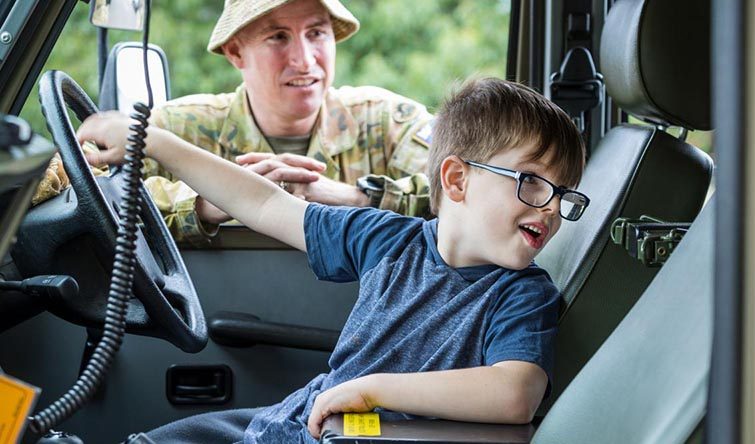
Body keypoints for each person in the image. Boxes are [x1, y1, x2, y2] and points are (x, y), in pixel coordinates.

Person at [76, 77, 589, 443]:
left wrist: (369, 390)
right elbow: (266, 204)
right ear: (456, 179)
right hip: (298, 419)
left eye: (564, 194)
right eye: (532, 182)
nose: (551, 208)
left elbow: (514, 392)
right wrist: (158, 144)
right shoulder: (388, 240)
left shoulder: (521, 293)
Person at [34, 0, 435, 247]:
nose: (305, 59)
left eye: (316, 33)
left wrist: (353, 198)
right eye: (278, 37)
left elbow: (472, 195)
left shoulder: (388, 121)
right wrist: (207, 203)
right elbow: (72, 190)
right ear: (235, 52)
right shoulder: (176, 129)